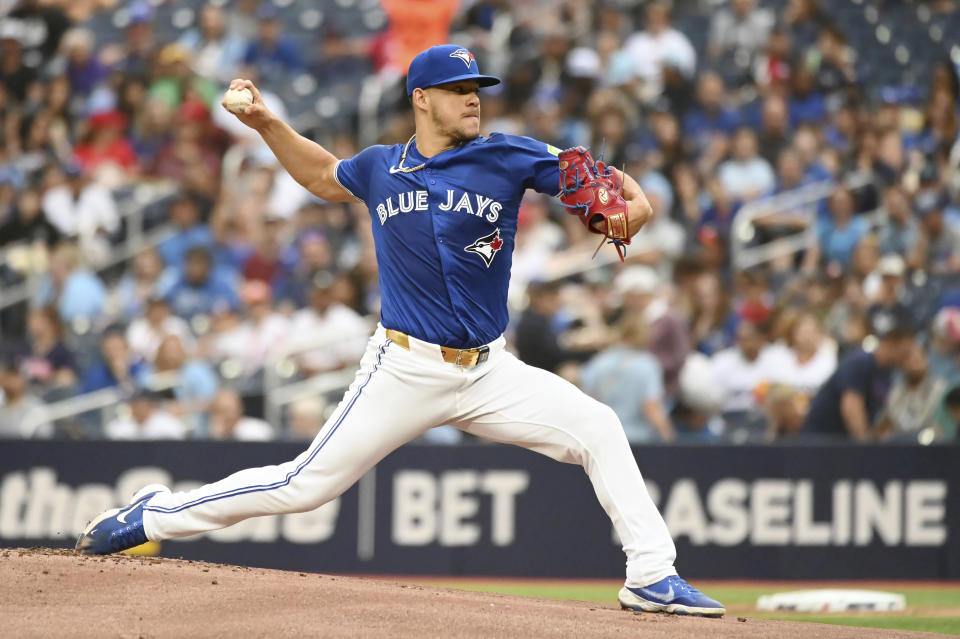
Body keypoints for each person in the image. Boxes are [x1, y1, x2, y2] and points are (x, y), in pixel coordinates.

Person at [76, 44, 724, 618]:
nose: (474, 101)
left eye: (478, 91)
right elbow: (320, 176)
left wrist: (627, 204)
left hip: (489, 369)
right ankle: (153, 512)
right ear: (422, 99)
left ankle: (651, 573)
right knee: (303, 485)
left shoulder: (507, 155)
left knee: (599, 427)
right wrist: (267, 121)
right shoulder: (382, 166)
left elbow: (621, 198)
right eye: (459, 91)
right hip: (404, 367)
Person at [801, 318, 915, 440]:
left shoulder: (887, 375)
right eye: (905, 352)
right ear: (891, 343)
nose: (906, 358)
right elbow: (851, 406)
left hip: (844, 445)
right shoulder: (861, 362)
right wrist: (864, 447)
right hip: (821, 441)